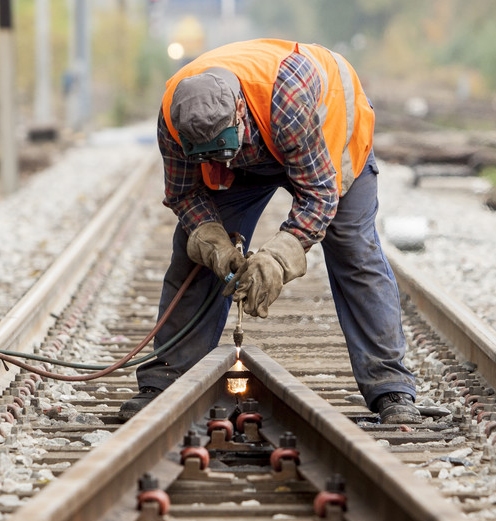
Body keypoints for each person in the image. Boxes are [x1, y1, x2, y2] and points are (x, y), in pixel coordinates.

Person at [120, 38, 428, 425]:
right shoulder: (173, 117)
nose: (215, 157)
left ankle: (391, 388)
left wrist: (278, 258)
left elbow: (318, 195)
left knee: (354, 251)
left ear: (237, 112)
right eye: (205, 152)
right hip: (252, 153)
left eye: (221, 146)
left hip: (328, 141)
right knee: (193, 256)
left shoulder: (289, 100)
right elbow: (185, 194)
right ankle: (164, 381)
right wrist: (213, 242)